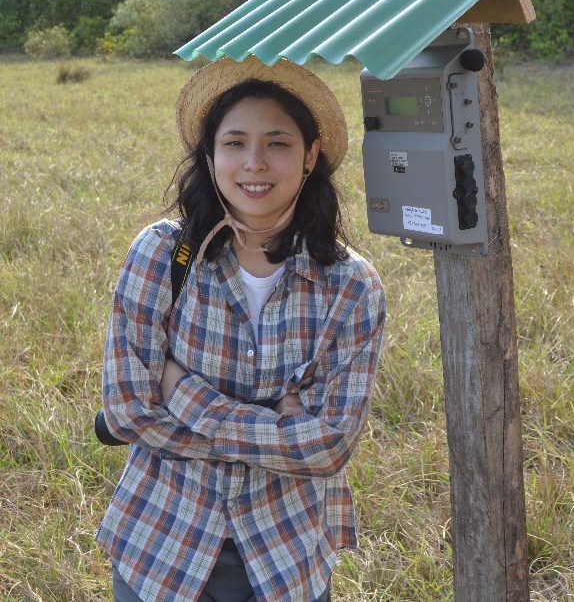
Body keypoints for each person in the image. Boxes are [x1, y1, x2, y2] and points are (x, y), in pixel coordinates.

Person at [96, 56, 387, 602]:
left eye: (277, 143)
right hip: (161, 544)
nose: (254, 163)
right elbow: (127, 411)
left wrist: (182, 393)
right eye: (234, 143)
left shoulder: (351, 286)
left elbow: (327, 449)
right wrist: (279, 427)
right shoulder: (161, 256)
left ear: (310, 156)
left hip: (285, 552)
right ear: (210, 156)